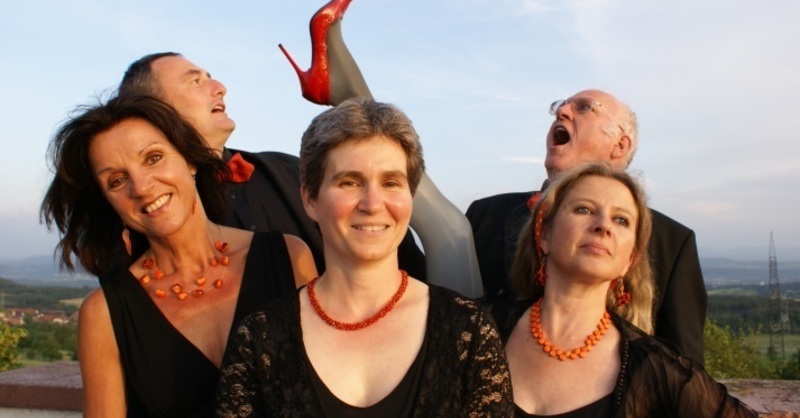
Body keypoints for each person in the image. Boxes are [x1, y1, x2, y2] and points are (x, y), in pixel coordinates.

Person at [215, 98, 512, 417]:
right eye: (350, 182)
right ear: (310, 199)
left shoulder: (468, 330)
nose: (372, 204)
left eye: (391, 183)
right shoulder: (258, 340)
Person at [40, 95, 317, 417]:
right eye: (117, 180)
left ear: (189, 159)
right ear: (107, 202)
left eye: (153, 158)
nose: (141, 187)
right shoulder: (104, 314)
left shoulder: (289, 256)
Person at [117, 51, 428, 284]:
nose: (220, 87)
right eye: (195, 81)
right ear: (152, 109)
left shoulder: (288, 168)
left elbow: (406, 263)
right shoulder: (144, 211)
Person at [467, 89, 707, 364]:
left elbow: (684, 365)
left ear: (620, 145)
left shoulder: (673, 243)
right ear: (543, 231)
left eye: (584, 108)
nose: (562, 112)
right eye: (560, 106)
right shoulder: (484, 214)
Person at [497, 164, 755, 417]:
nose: (603, 226)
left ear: (629, 260)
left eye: (621, 220)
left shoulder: (655, 368)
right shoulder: (482, 327)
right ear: (544, 235)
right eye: (584, 209)